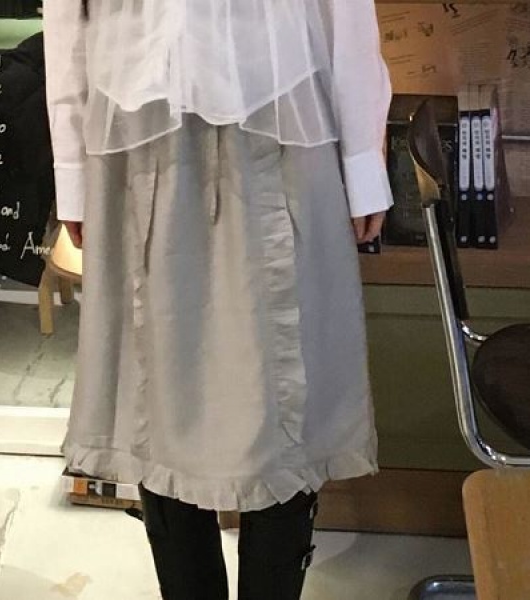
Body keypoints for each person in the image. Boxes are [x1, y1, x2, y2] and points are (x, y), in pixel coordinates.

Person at [43, 1, 393, 598]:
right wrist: (71, 171)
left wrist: (363, 159)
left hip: (281, 114)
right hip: (138, 123)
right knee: (158, 397)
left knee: (285, 403)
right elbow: (65, 13)